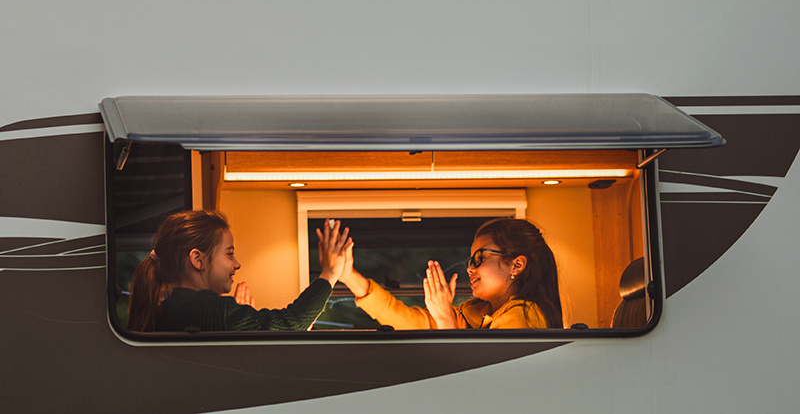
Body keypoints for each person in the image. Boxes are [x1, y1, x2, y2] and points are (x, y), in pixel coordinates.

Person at [127, 210, 351, 332]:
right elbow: (291, 325)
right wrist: (329, 274)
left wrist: (237, 325)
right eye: (229, 254)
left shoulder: (176, 307)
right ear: (197, 259)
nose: (237, 264)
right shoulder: (206, 308)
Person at [338, 217, 563, 329]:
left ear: (517, 265)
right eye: (471, 260)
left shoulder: (525, 316)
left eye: (480, 258)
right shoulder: (473, 315)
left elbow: (480, 379)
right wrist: (348, 275)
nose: (470, 268)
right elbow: (405, 319)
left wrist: (445, 319)